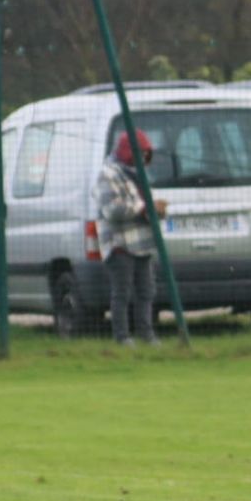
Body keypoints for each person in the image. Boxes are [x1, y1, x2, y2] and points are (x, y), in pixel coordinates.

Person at [94, 129, 166, 347]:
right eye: (141, 153)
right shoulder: (107, 174)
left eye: (146, 154)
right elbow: (112, 210)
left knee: (146, 292)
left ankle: (146, 335)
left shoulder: (140, 174)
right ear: (127, 152)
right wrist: (145, 208)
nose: (144, 159)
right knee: (122, 293)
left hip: (143, 243)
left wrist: (158, 212)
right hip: (120, 244)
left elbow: (143, 206)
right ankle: (122, 337)